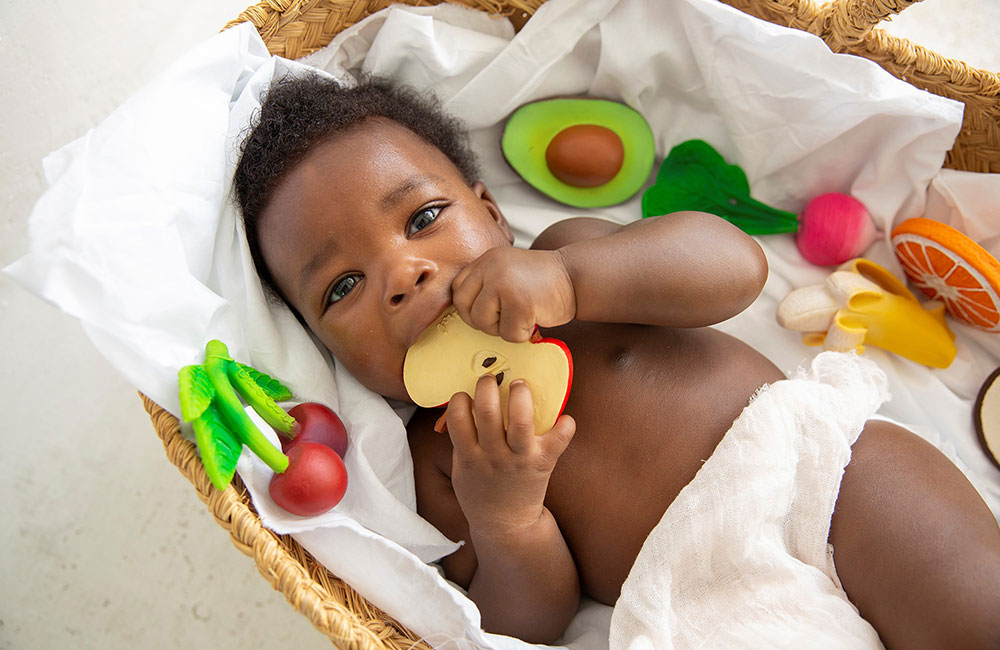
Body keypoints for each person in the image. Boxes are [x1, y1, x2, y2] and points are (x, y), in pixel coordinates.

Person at [233, 73, 1000, 647]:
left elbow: (736, 267)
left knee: (973, 603)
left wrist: (574, 282)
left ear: (492, 215)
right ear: (321, 345)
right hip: (700, 598)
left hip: (819, 470)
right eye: (343, 287)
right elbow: (528, 623)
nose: (404, 274)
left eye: (424, 218)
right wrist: (508, 518)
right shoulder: (439, 457)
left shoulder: (571, 258)